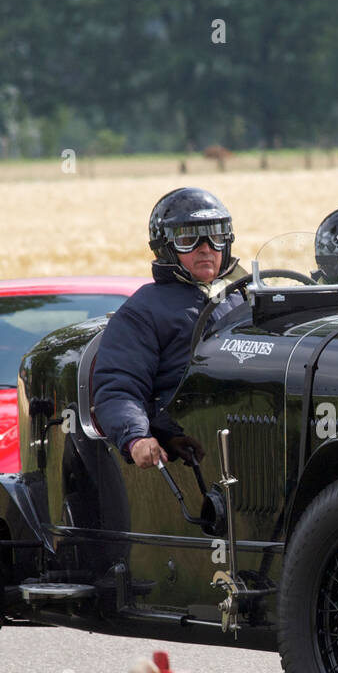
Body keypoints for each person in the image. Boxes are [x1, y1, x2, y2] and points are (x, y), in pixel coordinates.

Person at [92, 187, 247, 468]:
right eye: (189, 239)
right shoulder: (142, 311)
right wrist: (137, 438)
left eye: (215, 235)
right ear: (166, 246)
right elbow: (118, 388)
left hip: (254, 435)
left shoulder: (245, 296)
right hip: (190, 445)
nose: (206, 248)